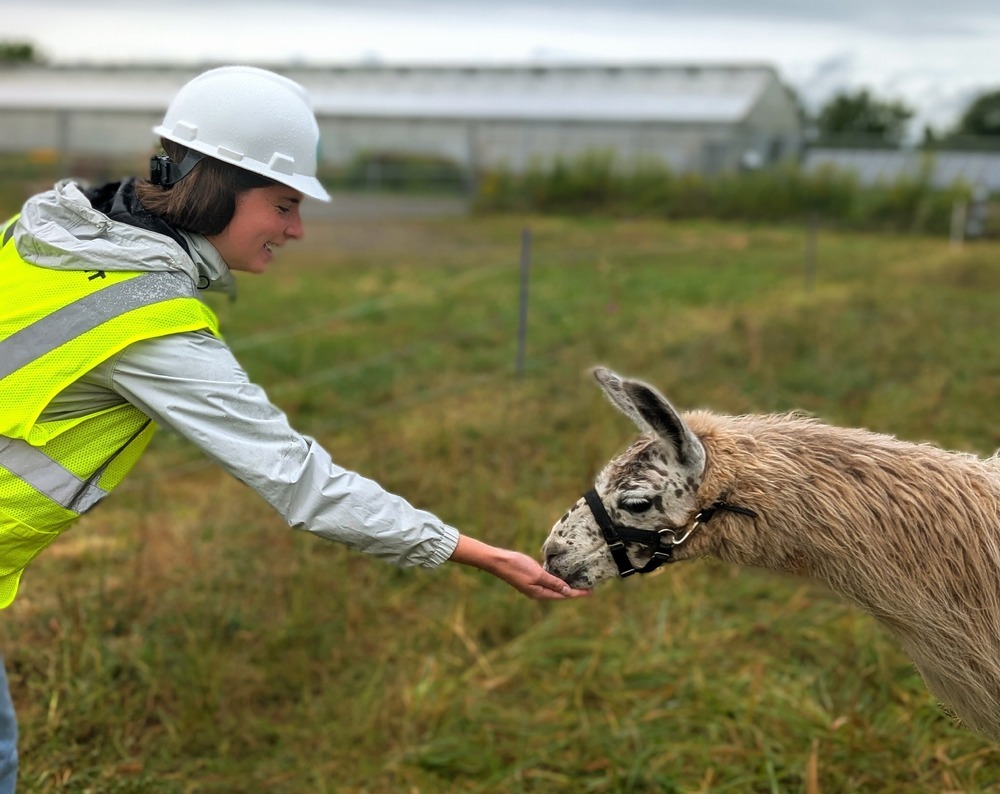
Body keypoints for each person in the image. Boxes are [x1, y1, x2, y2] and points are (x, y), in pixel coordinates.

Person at [0, 64, 587, 791]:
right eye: (282, 204)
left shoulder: (49, 233)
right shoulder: (146, 325)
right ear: (213, 188)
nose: (297, 230)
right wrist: (476, 553)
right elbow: (302, 481)